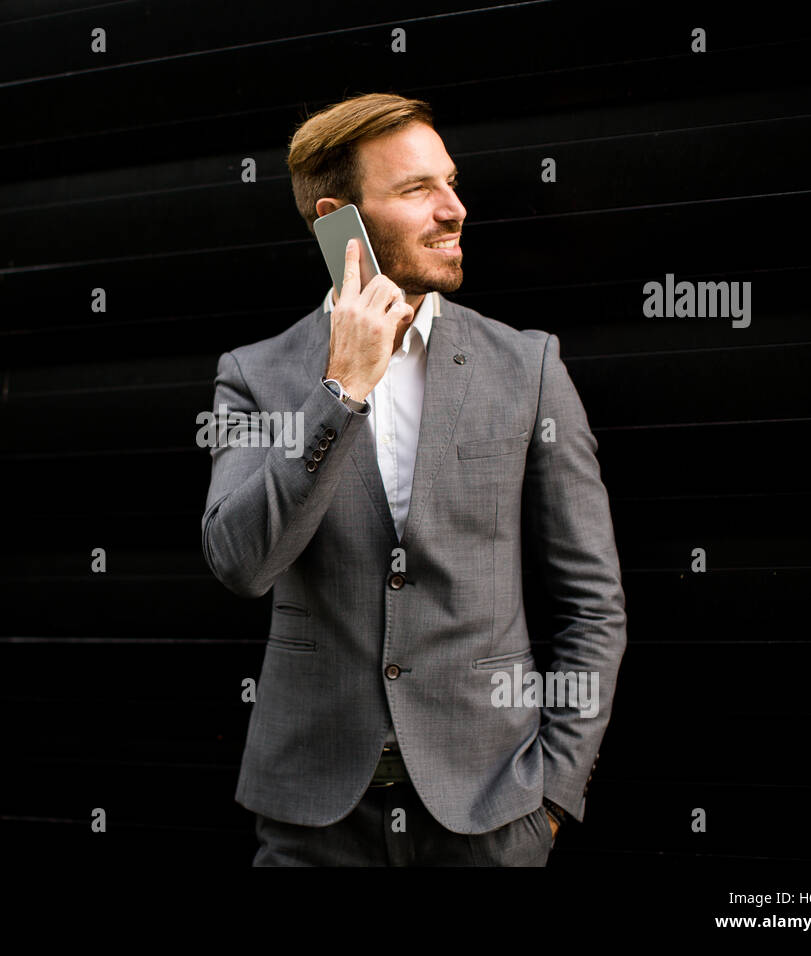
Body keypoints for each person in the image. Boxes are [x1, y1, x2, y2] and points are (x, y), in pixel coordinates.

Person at [200, 92, 627, 865]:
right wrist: (340, 393)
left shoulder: (526, 368)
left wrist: (557, 794)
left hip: (492, 812)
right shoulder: (254, 378)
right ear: (340, 221)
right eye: (416, 190)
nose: (454, 208)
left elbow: (592, 603)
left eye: (452, 182)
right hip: (313, 820)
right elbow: (240, 564)